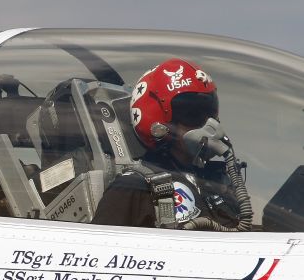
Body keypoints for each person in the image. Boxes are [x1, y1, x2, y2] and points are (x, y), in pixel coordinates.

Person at [92, 58, 252, 231]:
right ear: (158, 123)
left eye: (209, 113)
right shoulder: (133, 188)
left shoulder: (217, 184)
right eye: (192, 114)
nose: (208, 125)